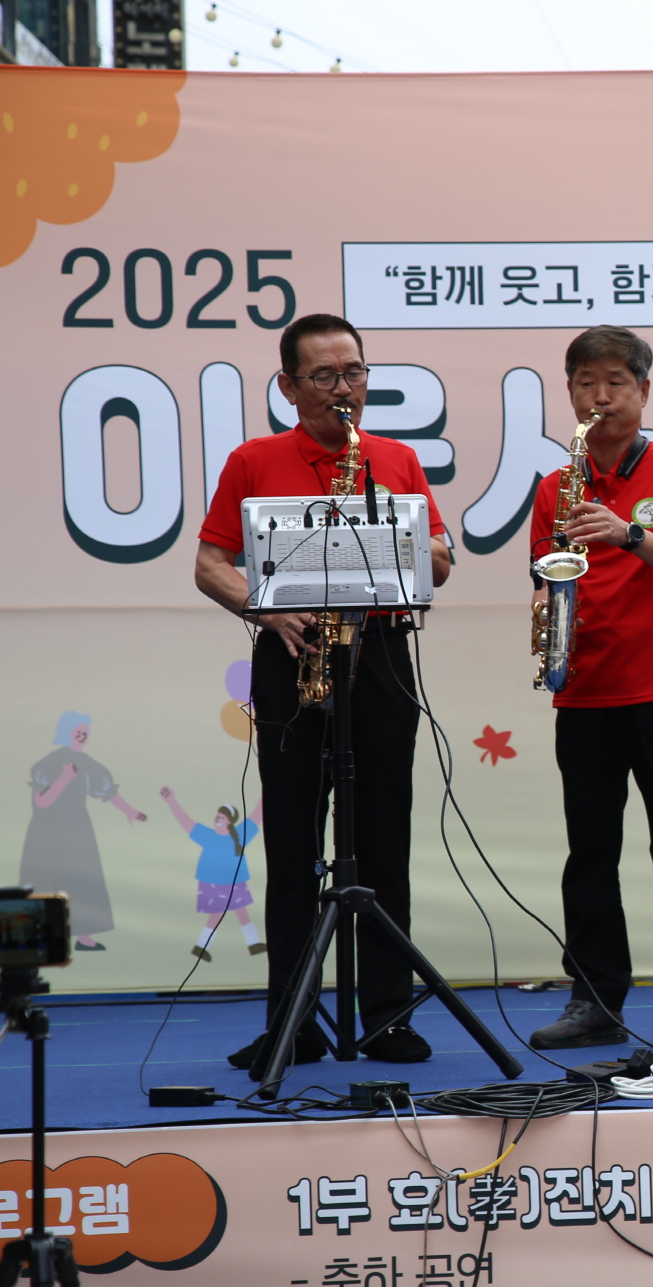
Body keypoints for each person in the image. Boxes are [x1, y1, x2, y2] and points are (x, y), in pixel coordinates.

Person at [193, 313, 451, 1068]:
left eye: (356, 374)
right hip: (292, 655)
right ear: (288, 386)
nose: (346, 392)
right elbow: (210, 563)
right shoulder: (253, 459)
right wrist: (265, 607)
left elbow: (439, 557)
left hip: (379, 657)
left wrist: (431, 548)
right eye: (327, 377)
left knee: (384, 838)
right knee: (297, 842)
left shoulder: (395, 459)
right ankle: (293, 1021)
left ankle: (387, 1017)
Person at [523, 327, 653, 1052]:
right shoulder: (554, 486)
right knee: (590, 853)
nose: (599, 396)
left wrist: (627, 535)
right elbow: (547, 581)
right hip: (584, 691)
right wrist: (549, 624)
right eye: (585, 382)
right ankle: (594, 998)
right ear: (570, 391)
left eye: (615, 381)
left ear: (644, 390)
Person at [20, 712, 146, 951]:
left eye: (85, 731)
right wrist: (65, 778)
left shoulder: (89, 764)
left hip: (77, 829)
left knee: (82, 881)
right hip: (47, 831)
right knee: (46, 880)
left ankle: (85, 935)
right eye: (77, 730)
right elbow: (42, 803)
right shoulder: (48, 764)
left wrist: (129, 811)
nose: (82, 735)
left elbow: (107, 792)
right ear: (66, 732)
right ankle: (42, 937)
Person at [159, 786, 265, 961]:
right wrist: (172, 802)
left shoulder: (239, 835)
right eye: (218, 815)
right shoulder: (207, 836)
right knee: (216, 915)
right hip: (213, 883)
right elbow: (186, 823)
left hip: (234, 882)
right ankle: (201, 946)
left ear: (229, 821)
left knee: (242, 911)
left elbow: (256, 816)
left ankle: (253, 943)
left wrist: (267, 793)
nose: (218, 818)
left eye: (222, 817)